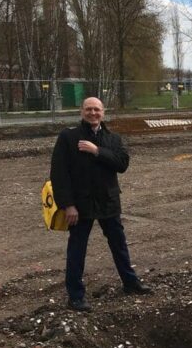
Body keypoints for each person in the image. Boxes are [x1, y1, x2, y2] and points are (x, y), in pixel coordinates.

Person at [50, 97, 151, 312]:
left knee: (119, 245)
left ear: (103, 113)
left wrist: (97, 151)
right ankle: (75, 296)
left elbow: (122, 164)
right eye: (88, 109)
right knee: (77, 249)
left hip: (108, 201)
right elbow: (59, 175)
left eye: (96, 109)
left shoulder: (112, 139)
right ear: (81, 111)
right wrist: (68, 205)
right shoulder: (68, 137)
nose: (92, 113)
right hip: (80, 206)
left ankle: (130, 283)